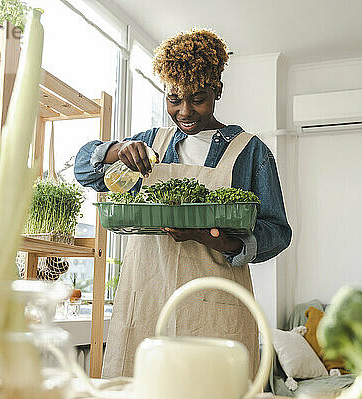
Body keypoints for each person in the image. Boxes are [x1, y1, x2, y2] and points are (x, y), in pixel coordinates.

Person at [74, 28, 292, 378]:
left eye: (198, 98)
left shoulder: (250, 153)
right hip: (146, 304)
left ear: (217, 89)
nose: (184, 111)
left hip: (216, 312)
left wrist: (214, 238)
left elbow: (277, 232)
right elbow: (84, 169)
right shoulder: (148, 143)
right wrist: (117, 150)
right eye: (174, 99)